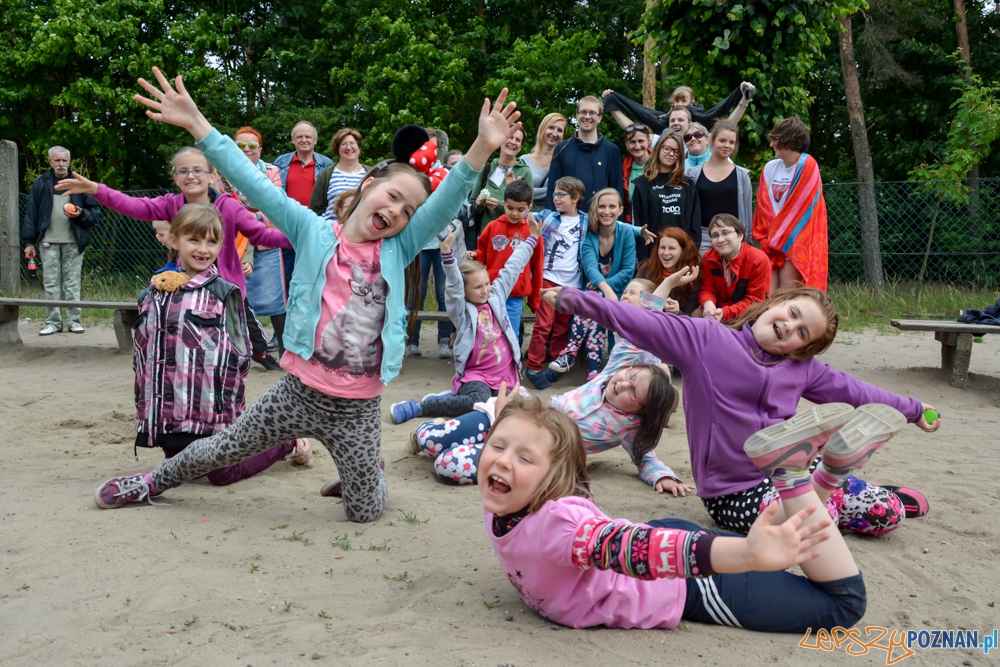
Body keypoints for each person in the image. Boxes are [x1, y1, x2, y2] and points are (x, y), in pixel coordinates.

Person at [92, 67, 523, 523]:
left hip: (358, 407)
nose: (396, 211)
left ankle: (363, 474)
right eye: (393, 196)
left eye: (409, 210)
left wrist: (482, 148)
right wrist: (199, 125)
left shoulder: (399, 250)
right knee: (220, 449)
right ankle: (150, 483)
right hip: (297, 393)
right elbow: (252, 181)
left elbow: (446, 200)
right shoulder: (314, 232)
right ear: (370, 186)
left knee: (365, 511)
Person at [545, 280, 939, 538]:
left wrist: (913, 408)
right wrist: (572, 299)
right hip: (734, 492)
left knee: (888, 515)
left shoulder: (802, 369)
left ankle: (852, 487)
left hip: (792, 472)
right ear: (777, 303)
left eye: (803, 333)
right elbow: (639, 321)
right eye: (793, 313)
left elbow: (854, 391)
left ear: (802, 349)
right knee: (811, 525)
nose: (791, 326)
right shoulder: (705, 341)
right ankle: (837, 480)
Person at [478, 391, 876, 633]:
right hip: (671, 541)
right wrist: (508, 419)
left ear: (551, 478)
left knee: (843, 604)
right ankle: (826, 473)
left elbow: (631, 548)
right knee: (775, 548)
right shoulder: (506, 499)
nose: (503, 462)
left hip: (684, 579)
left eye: (524, 457)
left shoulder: (558, 529)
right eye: (498, 447)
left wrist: (745, 557)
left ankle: (792, 474)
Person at [410, 274, 692, 491]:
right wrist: (666, 283)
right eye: (628, 377)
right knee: (431, 440)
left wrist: (664, 477)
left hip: (537, 453)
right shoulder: (611, 374)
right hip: (521, 413)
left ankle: (472, 447)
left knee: (447, 465)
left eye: (633, 391)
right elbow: (642, 328)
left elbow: (646, 458)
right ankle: (432, 428)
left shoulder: (631, 428)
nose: (622, 384)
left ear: (642, 410)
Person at [58, 146, 289, 371]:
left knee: (230, 348)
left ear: (212, 175)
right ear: (175, 178)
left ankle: (254, 361)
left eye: (198, 170)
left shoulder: (228, 205)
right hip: (187, 289)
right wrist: (95, 189)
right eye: (184, 171)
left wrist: (301, 237)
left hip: (225, 290)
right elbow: (132, 205)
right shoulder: (172, 204)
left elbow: (260, 233)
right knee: (189, 348)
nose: (191, 176)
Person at [131, 204, 310, 487]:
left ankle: (284, 444)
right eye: (194, 240)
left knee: (220, 474)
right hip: (168, 410)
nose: (203, 249)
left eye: (211, 241)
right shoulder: (152, 295)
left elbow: (243, 350)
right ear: (174, 240)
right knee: (181, 468)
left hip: (211, 409)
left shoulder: (224, 294)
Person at [390, 217, 542, 424]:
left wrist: (533, 237)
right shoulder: (461, 311)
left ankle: (452, 399)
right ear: (465, 290)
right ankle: (418, 407)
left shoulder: (496, 297)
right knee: (479, 404)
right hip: (476, 376)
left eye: (486, 284)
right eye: (478, 287)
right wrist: (445, 250)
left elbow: (513, 266)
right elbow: (453, 283)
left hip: (505, 377)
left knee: (523, 409)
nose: (485, 290)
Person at [217, 126, 289, 357]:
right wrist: (239, 218)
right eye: (240, 146)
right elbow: (220, 204)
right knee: (235, 297)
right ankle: (240, 351)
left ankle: (286, 352)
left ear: (260, 149)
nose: (246, 150)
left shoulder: (272, 171)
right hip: (233, 241)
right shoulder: (221, 171)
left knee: (277, 299)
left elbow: (278, 204)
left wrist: (254, 217)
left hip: (265, 238)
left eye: (252, 146)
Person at [550, 189, 636, 379]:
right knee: (595, 301)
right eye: (602, 206)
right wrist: (604, 289)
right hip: (594, 292)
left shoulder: (626, 232)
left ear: (620, 209)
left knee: (595, 300)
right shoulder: (588, 234)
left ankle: (575, 355)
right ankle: (594, 370)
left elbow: (628, 271)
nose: (607, 211)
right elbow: (590, 268)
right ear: (595, 210)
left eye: (612, 206)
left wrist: (602, 286)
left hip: (619, 292)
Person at [21, 146, 102, 336]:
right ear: (50, 161)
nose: (61, 164)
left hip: (74, 241)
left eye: (64, 160)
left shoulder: (78, 183)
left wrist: (80, 213)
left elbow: (95, 213)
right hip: (47, 241)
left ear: (69, 161)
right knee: (50, 283)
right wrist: (29, 242)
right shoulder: (41, 183)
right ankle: (53, 322)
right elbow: (31, 213)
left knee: (72, 283)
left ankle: (74, 321)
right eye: (57, 160)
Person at [524, 177, 587, 390]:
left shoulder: (586, 221)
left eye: (561, 194)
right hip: (548, 279)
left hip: (573, 283)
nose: (555, 198)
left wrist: (638, 231)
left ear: (576, 198)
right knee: (543, 325)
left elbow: (614, 224)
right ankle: (533, 366)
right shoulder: (548, 216)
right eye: (554, 194)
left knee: (561, 327)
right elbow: (525, 215)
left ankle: (553, 366)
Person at [754, 117, 829, 293]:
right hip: (770, 242)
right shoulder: (770, 167)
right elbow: (763, 206)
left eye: (775, 139)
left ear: (788, 139)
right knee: (765, 294)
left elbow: (801, 210)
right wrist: (770, 238)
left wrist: (779, 237)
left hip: (794, 242)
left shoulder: (808, 165)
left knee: (790, 294)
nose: (772, 144)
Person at [466, 180, 544, 338]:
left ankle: (511, 363)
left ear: (529, 208)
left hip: (515, 294)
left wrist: (535, 299)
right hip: (490, 291)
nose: (514, 213)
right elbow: (484, 253)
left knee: (511, 334)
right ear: (504, 204)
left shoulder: (533, 232)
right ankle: (491, 362)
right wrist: (475, 255)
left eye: (520, 209)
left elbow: (538, 267)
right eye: (510, 208)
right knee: (488, 333)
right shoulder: (493, 227)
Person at [273, 121, 333, 291]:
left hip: (315, 224)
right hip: (288, 223)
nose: (304, 140)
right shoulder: (281, 162)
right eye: (300, 136)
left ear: (315, 140)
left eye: (308, 136)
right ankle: (287, 307)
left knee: (315, 268)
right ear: (293, 139)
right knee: (287, 269)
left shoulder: (326, 164)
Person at [630, 131, 701, 263]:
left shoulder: (687, 184)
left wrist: (691, 255)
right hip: (652, 255)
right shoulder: (642, 184)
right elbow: (638, 225)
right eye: (667, 148)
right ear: (658, 149)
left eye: (676, 151)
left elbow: (695, 224)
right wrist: (643, 261)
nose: (671, 153)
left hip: (682, 255)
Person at [544, 97, 623, 211]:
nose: (587, 116)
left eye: (592, 113)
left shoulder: (611, 150)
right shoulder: (561, 149)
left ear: (600, 117)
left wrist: (616, 225)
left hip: (599, 221)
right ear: (577, 115)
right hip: (566, 221)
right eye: (583, 112)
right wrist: (550, 221)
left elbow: (617, 193)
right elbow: (552, 190)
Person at [686, 120, 753, 253]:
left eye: (731, 142)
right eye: (722, 140)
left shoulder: (742, 176)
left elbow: (747, 213)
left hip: (732, 239)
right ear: (712, 141)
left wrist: (747, 242)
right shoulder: (693, 174)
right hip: (703, 239)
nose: (727, 145)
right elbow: (688, 211)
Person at [601, 83, 755, 135]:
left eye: (681, 120)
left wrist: (743, 99)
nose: (680, 103)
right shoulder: (662, 130)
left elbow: (729, 123)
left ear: (692, 103)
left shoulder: (700, 135)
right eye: (677, 100)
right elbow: (633, 128)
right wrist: (613, 105)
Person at [699, 214, 770, 323]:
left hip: (748, 316)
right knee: (692, 320)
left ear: (740, 235)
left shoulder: (758, 260)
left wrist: (725, 313)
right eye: (715, 235)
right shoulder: (708, 258)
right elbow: (707, 289)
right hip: (716, 312)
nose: (720, 239)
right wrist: (708, 303)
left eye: (725, 233)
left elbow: (755, 301)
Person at [471, 127, 533, 227]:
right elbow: (471, 206)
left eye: (518, 140)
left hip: (512, 237)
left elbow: (528, 211)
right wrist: (479, 204)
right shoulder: (486, 168)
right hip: (483, 235)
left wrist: (500, 205)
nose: (513, 142)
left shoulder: (525, 172)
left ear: (520, 147)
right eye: (510, 137)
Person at [639, 227, 702, 316]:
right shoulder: (646, 268)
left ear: (683, 251)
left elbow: (689, 317)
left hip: (674, 327)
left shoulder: (693, 275)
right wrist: (662, 305)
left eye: (672, 248)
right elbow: (636, 300)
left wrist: (677, 312)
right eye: (662, 248)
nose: (666, 253)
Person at [311, 128, 369, 219]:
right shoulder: (326, 174)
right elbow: (316, 209)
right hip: (332, 230)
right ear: (337, 150)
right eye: (343, 144)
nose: (348, 147)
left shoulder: (371, 173)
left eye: (352, 143)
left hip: (363, 231)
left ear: (359, 147)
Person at [521, 113, 567, 211]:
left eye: (559, 130)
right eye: (551, 127)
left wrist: (528, 192)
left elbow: (565, 194)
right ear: (542, 129)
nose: (554, 133)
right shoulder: (523, 161)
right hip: (523, 220)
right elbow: (516, 193)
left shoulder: (564, 164)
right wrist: (551, 191)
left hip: (551, 221)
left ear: (563, 137)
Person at [618, 123, 653, 223]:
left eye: (641, 141)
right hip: (633, 224)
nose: (637, 146)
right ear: (626, 144)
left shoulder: (661, 165)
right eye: (632, 142)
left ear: (649, 141)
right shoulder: (623, 170)